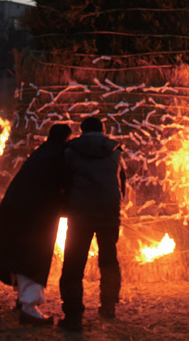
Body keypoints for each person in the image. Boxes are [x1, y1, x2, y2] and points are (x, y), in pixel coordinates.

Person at [0, 124, 72, 326]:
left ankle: (22, 301)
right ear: (66, 138)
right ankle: (30, 309)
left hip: (18, 210)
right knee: (33, 258)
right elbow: (62, 185)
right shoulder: (58, 156)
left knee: (20, 256)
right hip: (35, 216)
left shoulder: (42, 152)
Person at [58, 117, 127, 332]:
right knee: (108, 260)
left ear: (81, 130)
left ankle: (73, 315)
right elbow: (122, 181)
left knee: (73, 265)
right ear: (103, 130)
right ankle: (108, 306)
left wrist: (64, 206)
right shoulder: (115, 151)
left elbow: (64, 180)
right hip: (108, 214)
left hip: (80, 214)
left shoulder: (70, 151)